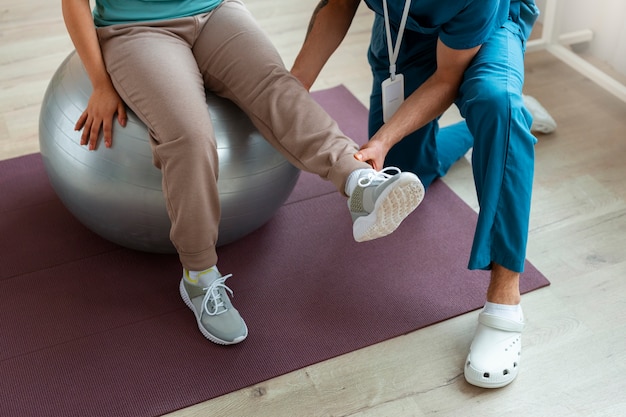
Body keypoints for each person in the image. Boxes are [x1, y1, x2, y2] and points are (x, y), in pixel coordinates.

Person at [61, 0, 425, 346]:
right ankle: (199, 277)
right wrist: (100, 83)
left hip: (216, 12)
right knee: (190, 137)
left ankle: (358, 182)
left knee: (278, 87)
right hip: (136, 30)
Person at [291, 0, 540, 388]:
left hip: (489, 24)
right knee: (411, 173)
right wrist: (289, 95)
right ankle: (500, 133)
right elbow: (338, 6)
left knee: (495, 100)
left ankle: (505, 297)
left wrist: (381, 139)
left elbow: (447, 78)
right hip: (400, 31)